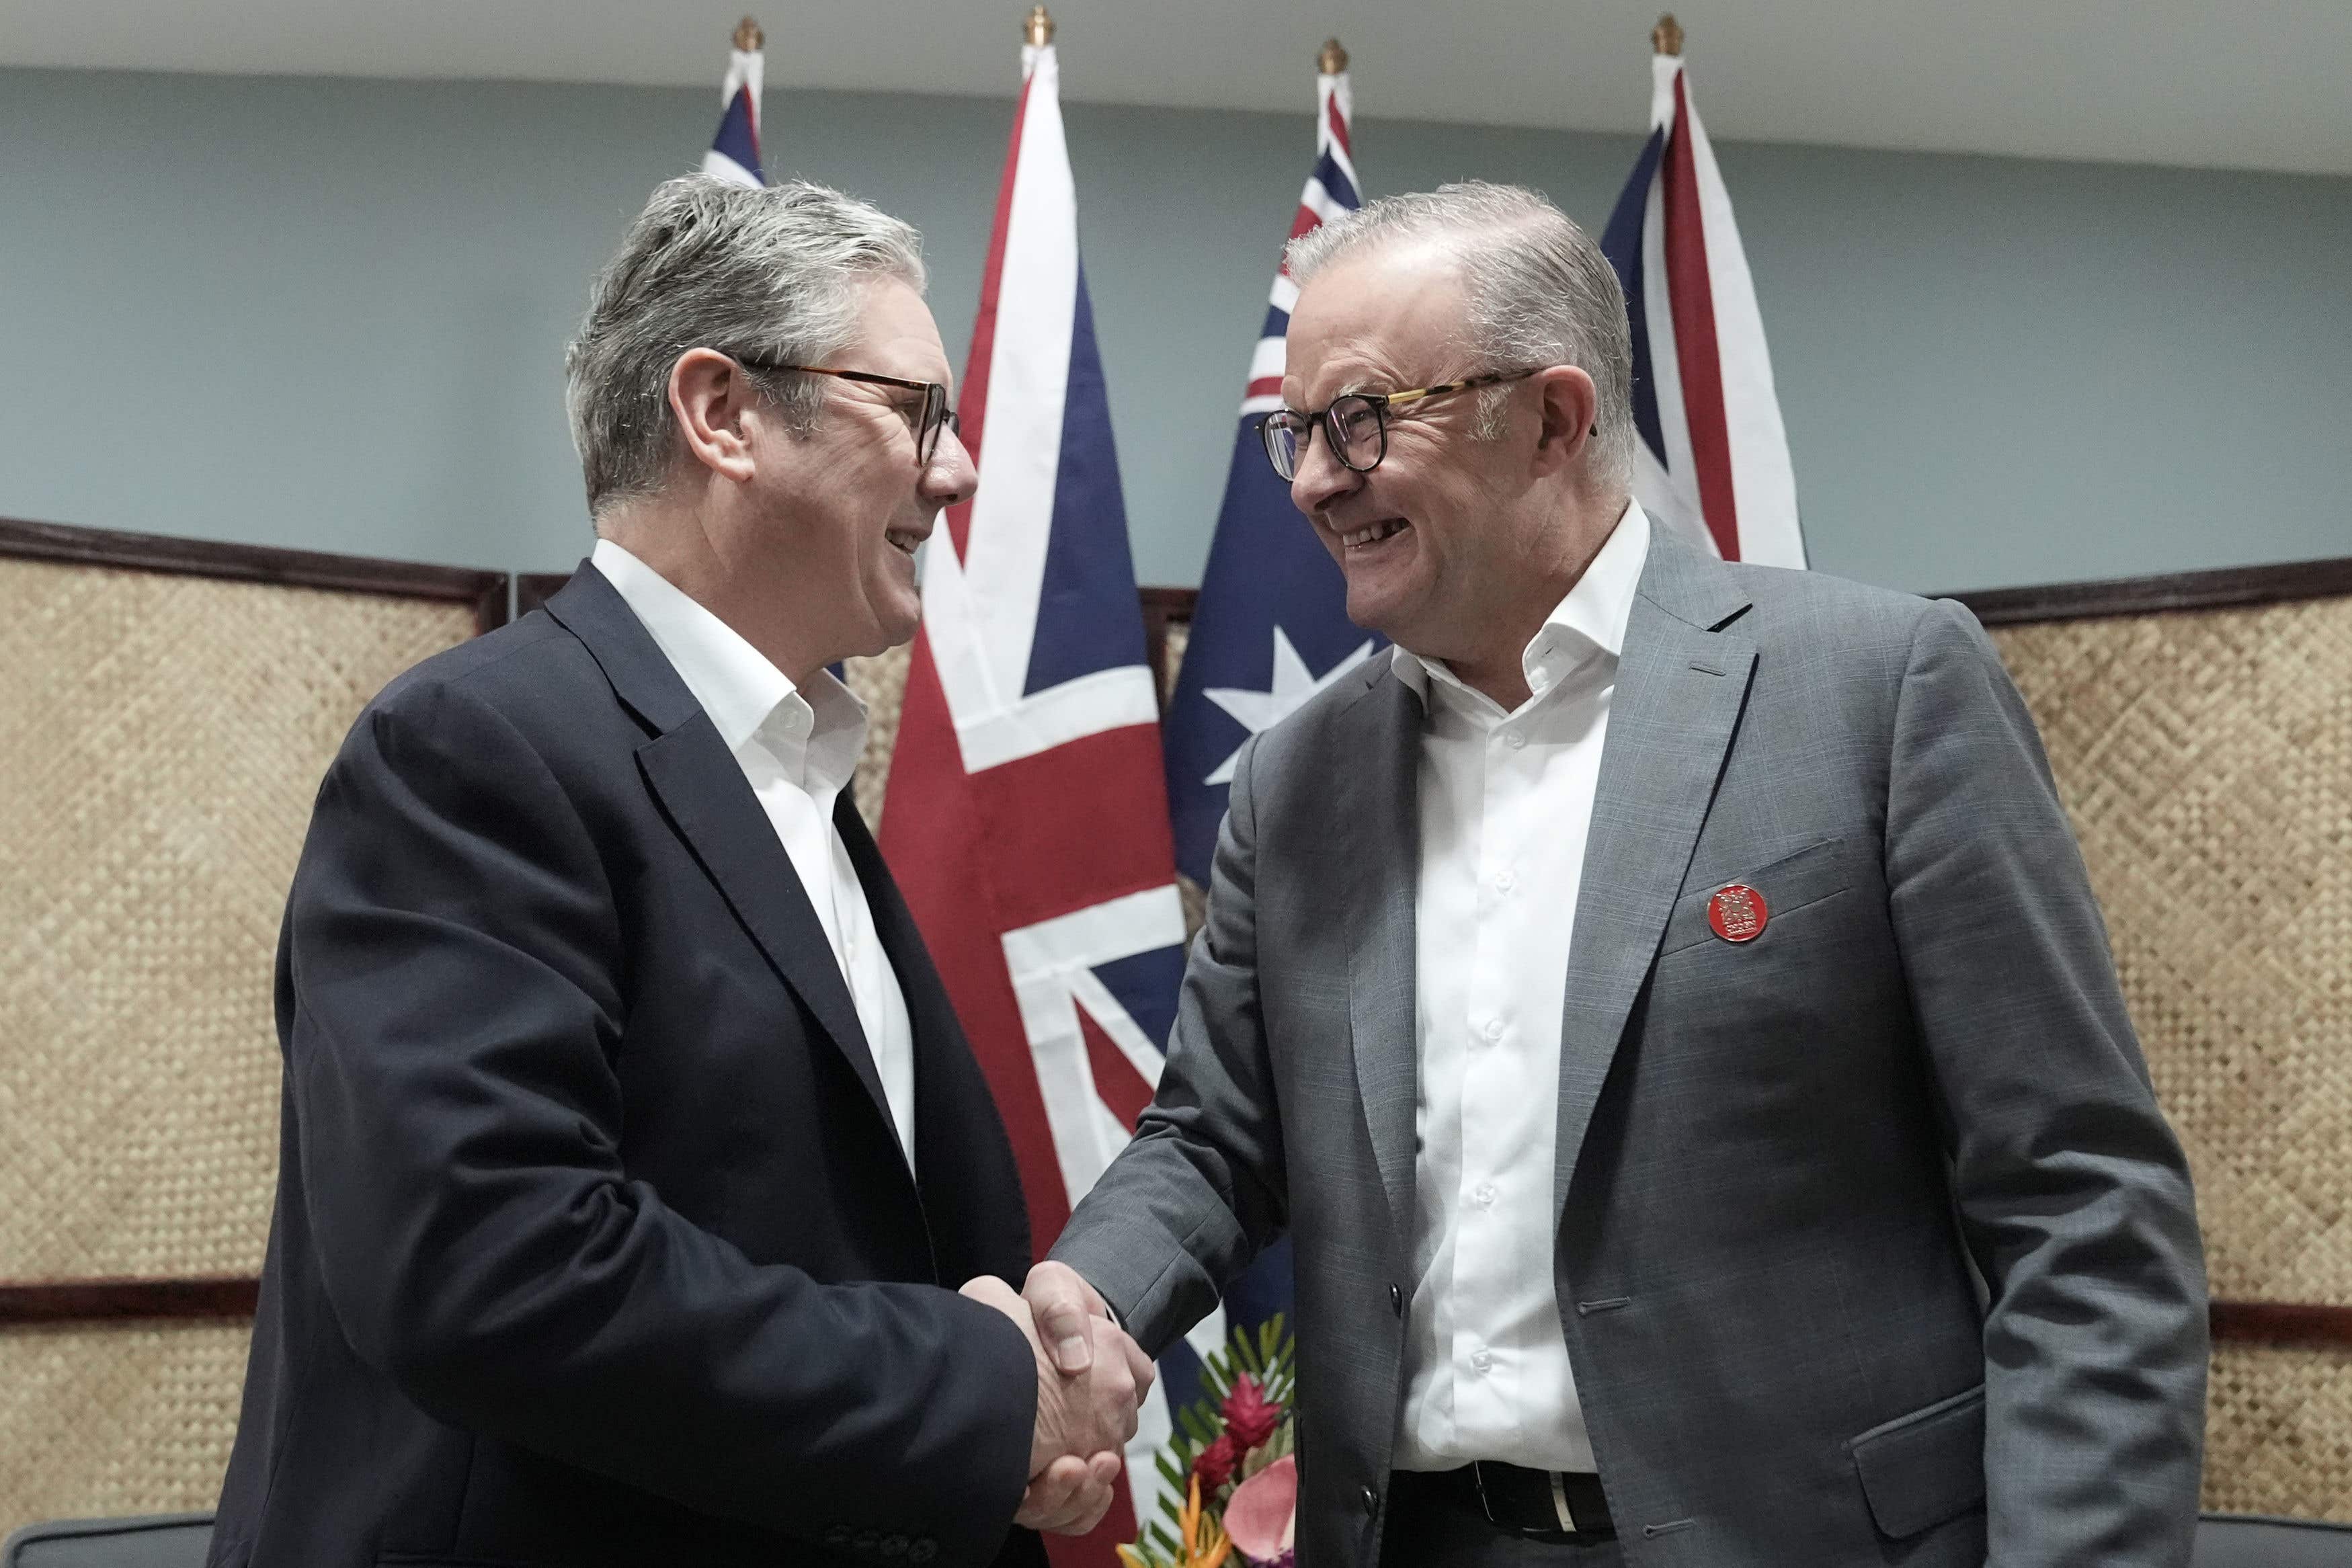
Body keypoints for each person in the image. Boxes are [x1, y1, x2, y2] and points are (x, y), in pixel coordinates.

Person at [1026, 182, 2207, 1567]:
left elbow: (2078, 1201)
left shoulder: (1875, 692)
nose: (1309, 482)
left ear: (1552, 418)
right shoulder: (1296, 783)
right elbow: (1215, 1145)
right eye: (1296, 433)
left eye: (1359, 419)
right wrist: (1076, 1303)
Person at [208, 176, 1149, 1568]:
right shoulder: (477, 746)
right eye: (916, 412)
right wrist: (977, 1392)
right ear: (723, 413)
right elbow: (495, 1266)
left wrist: (984, 1453)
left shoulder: (794, 776)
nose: (954, 473)